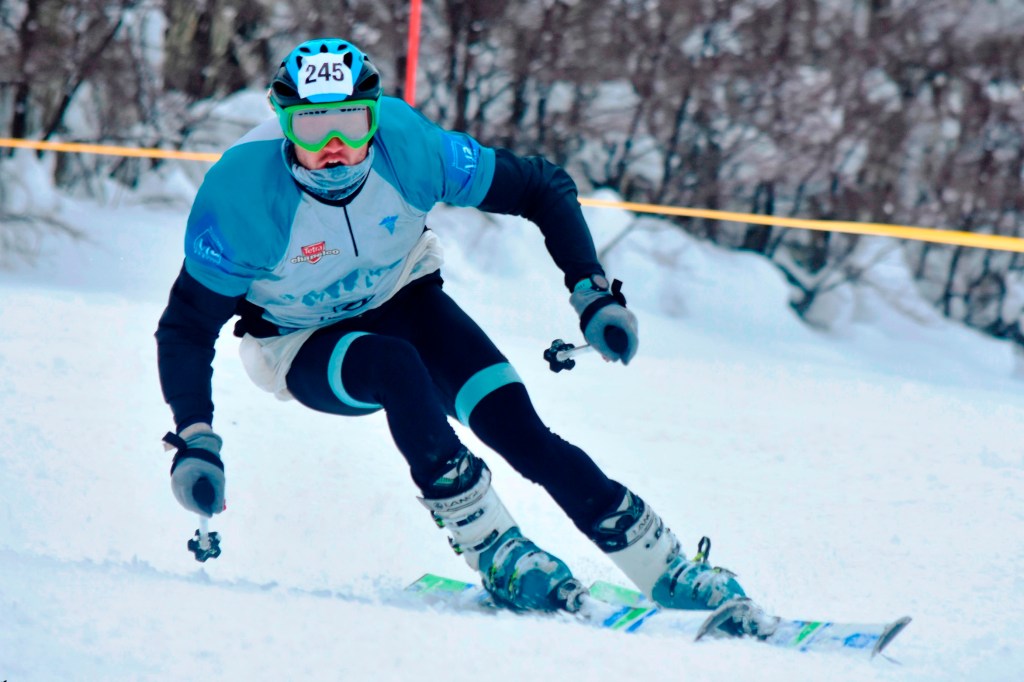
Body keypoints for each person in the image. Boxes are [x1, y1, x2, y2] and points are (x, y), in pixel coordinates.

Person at [156, 37, 745, 612]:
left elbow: (543, 187)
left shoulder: (408, 149)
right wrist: (195, 436)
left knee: (522, 431)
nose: (334, 145)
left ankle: (662, 565)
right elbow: (186, 327)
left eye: (352, 123)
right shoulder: (242, 196)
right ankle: (493, 548)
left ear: (375, 119)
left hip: (404, 298)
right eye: (312, 127)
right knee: (394, 365)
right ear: (284, 123)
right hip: (301, 341)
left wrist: (590, 292)